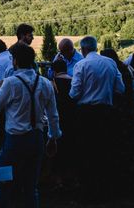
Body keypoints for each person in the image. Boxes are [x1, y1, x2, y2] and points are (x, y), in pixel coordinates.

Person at [0, 43, 60, 208]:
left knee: (4, 180)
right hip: (36, 138)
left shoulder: (10, 83)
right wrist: (53, 137)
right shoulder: (45, 83)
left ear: (15, 61)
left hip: (14, 140)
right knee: (31, 186)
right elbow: (53, 115)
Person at [69, 35, 125, 202]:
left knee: (86, 153)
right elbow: (120, 89)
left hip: (86, 114)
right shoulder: (110, 63)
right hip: (106, 113)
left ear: (84, 49)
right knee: (104, 152)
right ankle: (105, 191)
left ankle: (87, 191)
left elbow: (74, 93)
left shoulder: (81, 65)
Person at [101, 48, 134, 193]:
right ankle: (131, 182)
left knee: (115, 147)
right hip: (129, 112)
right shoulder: (126, 69)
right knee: (129, 148)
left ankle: (116, 181)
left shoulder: (109, 71)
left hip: (115, 112)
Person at [51, 58, 76, 189]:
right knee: (70, 148)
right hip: (72, 119)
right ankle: (70, 176)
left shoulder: (53, 83)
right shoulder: (73, 81)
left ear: (54, 70)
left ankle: (58, 179)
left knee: (58, 150)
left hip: (58, 118)